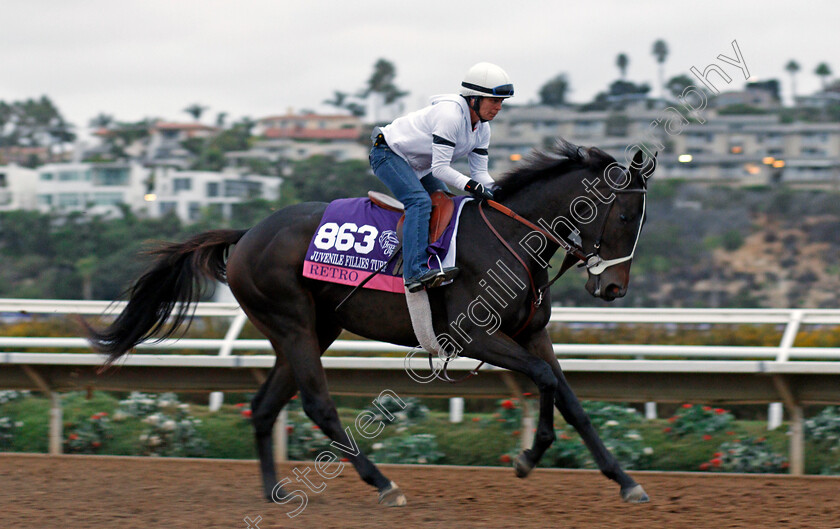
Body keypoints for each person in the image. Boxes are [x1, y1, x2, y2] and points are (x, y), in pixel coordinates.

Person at [369, 62, 513, 293]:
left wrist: (501, 191)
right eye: (494, 101)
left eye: (501, 102)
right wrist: (472, 186)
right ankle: (415, 273)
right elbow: (440, 169)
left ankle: (437, 259)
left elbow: (480, 175)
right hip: (388, 153)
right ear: (473, 98)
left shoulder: (483, 129)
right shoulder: (450, 116)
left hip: (418, 164)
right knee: (419, 201)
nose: (498, 108)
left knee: (445, 201)